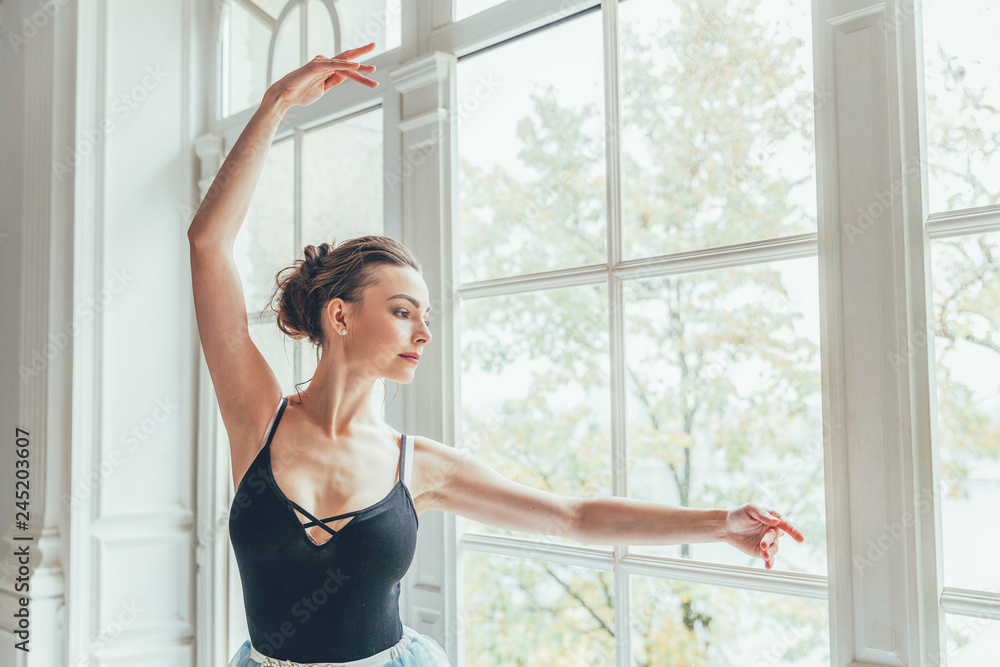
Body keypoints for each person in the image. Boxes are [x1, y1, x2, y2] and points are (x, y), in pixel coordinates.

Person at [187, 41, 805, 667]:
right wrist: (276, 103)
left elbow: (573, 516)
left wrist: (719, 523)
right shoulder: (258, 419)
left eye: (427, 317)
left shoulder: (419, 466)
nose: (424, 333)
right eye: (402, 312)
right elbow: (208, 244)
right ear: (340, 315)